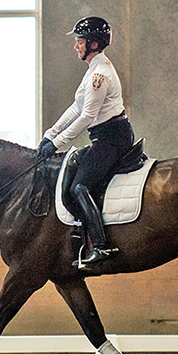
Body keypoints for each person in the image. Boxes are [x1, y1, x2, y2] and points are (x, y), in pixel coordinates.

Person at [38, 16, 136, 267]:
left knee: (80, 187)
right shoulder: (93, 71)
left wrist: (58, 143)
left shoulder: (99, 76)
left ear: (93, 44)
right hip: (103, 136)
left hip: (112, 139)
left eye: (79, 41)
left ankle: (101, 247)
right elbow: (76, 107)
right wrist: (51, 134)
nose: (75, 46)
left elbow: (86, 117)